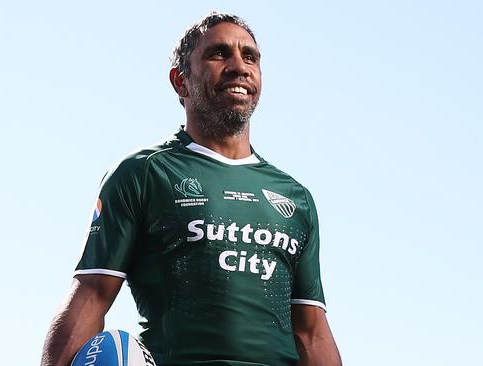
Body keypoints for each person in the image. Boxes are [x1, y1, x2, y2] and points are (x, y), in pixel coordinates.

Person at [41, 12, 342, 366]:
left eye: (250, 57)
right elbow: (91, 295)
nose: (239, 66)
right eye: (219, 54)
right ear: (180, 82)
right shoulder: (144, 173)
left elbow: (311, 331)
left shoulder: (294, 197)